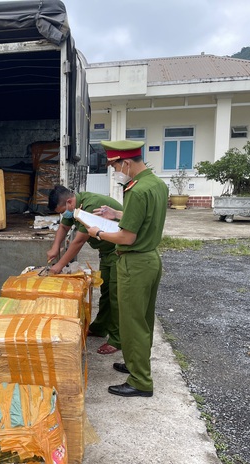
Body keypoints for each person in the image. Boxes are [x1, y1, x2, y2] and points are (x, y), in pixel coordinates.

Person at [76, 140, 168, 398]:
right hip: (150, 259)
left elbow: (127, 238)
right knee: (144, 319)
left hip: (134, 262)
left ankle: (140, 381)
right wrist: (115, 214)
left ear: (125, 162)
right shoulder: (156, 184)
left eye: (114, 165)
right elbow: (141, 217)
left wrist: (97, 232)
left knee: (131, 323)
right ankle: (136, 364)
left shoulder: (136, 190)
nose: (114, 170)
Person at [47, 184, 123, 355]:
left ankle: (117, 339)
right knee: (106, 291)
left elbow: (78, 242)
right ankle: (100, 327)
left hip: (119, 251)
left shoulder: (90, 206)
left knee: (116, 295)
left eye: (62, 211)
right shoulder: (74, 208)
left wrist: (59, 266)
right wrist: (55, 247)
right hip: (106, 251)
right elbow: (64, 227)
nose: (62, 215)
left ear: (69, 202)